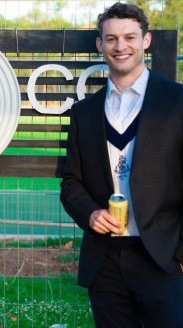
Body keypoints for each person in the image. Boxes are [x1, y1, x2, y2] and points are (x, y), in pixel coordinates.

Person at [60, 2, 183, 327]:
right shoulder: (84, 113)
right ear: (100, 45)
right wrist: (89, 212)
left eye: (129, 36)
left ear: (146, 40)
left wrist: (180, 254)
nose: (120, 46)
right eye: (111, 39)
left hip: (162, 255)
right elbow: (70, 182)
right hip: (105, 260)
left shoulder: (177, 102)